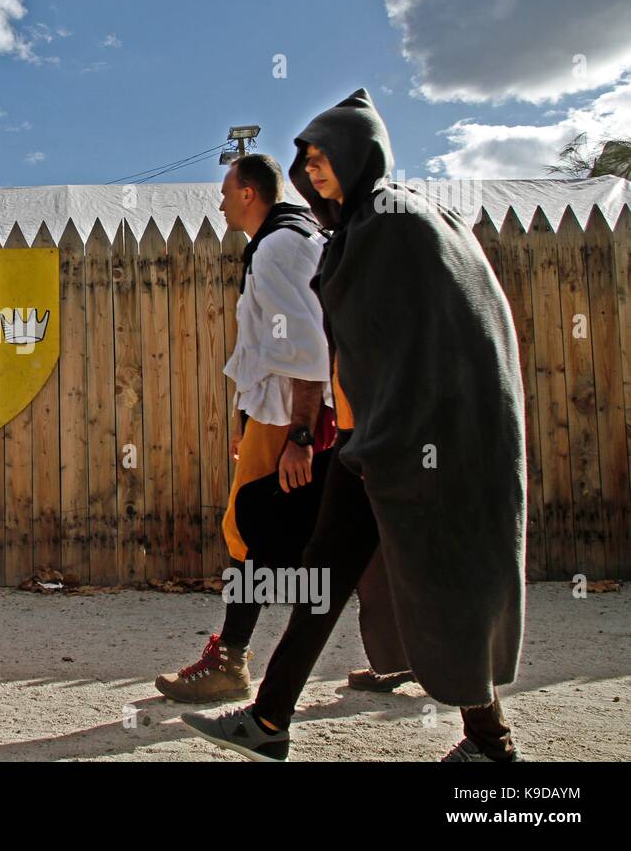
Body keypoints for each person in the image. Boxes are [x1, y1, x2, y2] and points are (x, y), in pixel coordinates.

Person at [182, 89, 526, 761]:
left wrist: (315, 431)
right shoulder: (370, 226)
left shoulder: (394, 224)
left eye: (323, 158)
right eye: (305, 160)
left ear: (358, 156)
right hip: (382, 436)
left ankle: (491, 741)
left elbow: (436, 337)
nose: (312, 171)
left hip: (419, 439)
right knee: (328, 570)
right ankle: (271, 718)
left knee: (444, 573)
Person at [155, 153, 410, 704]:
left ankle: (229, 661)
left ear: (250, 193)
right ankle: (403, 654)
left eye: (226, 190)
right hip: (299, 415)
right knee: (362, 535)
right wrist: (247, 422)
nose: (220, 201)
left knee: (249, 533)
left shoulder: (278, 247)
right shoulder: (297, 237)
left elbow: (307, 350)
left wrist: (297, 437)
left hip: (295, 419)